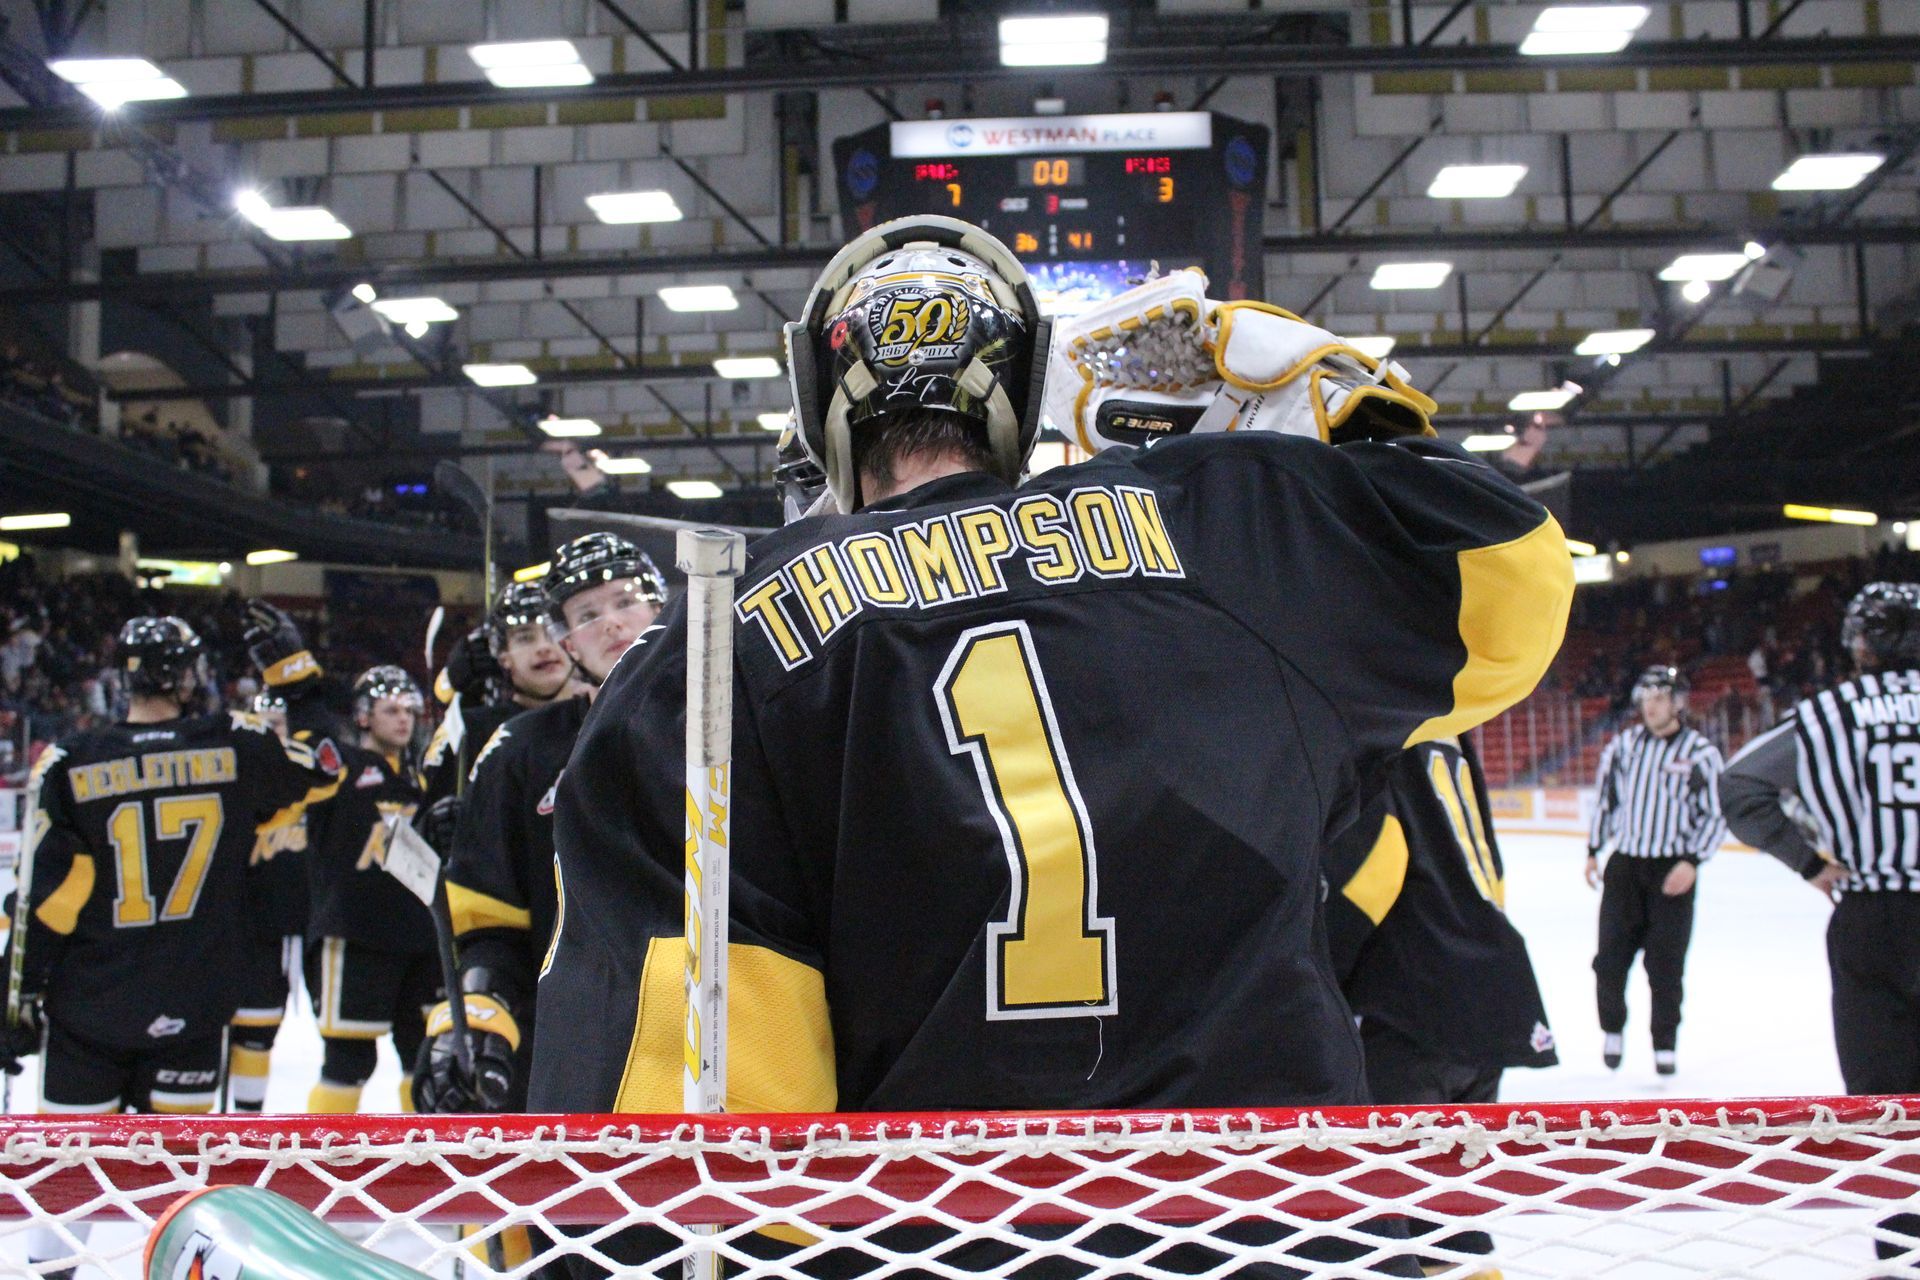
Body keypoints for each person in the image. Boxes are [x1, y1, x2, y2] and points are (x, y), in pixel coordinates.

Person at [530, 217, 1571, 1274]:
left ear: (822, 405)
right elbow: (1512, 578)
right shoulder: (1215, 524)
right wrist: (1317, 390)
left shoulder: (715, 644)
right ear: (1025, 393)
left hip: (944, 1244)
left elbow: (690, 1143)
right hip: (1276, 1233)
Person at [0, 617, 340, 1277]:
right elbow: (325, 768)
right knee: (182, 1191)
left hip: (89, 1007)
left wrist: (16, 999)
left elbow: (47, 900)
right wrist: (299, 685)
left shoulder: (69, 760)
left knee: (66, 1178)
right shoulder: (235, 742)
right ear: (183, 674)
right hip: (192, 1002)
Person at [415, 534, 667, 1115]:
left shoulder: (737, 723)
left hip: (730, 1034)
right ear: (568, 639)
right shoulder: (518, 749)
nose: (611, 622)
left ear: (661, 605)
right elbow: (491, 924)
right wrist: (478, 1015)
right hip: (576, 1043)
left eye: (625, 600)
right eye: (587, 613)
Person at [1720, 580, 1920, 1271]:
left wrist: (1808, 863)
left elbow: (1738, 784)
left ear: (1860, 644)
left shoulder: (1830, 713)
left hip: (1871, 918)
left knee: (1886, 1102)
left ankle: (1904, 1251)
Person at [1325, 732, 1556, 1278]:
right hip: (1488, 993)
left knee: (1391, 1220)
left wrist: (1321, 969)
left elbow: (1375, 870)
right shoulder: (1453, 739)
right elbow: (1493, 874)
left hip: (1409, 1008)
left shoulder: (1379, 737)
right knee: (1450, 1218)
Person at [226, 600, 355, 1114]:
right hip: (252, 926)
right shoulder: (244, 773)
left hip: (316, 921)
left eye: (281, 722)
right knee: (250, 1032)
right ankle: (242, 1123)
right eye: (267, 724)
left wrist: (298, 682)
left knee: (341, 1047)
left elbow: (325, 755)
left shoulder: (310, 768)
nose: (274, 733)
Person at [301, 665, 433, 1113]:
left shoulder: (424, 776)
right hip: (355, 936)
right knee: (349, 1061)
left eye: (409, 710)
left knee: (425, 1058)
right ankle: (321, 1151)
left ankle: (425, 1151)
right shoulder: (340, 768)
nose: (404, 718)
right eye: (391, 710)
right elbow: (311, 739)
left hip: (419, 938)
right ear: (363, 716)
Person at [1584, 665, 1728, 1075]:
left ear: (1677, 702)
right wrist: (1593, 850)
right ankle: (1612, 1028)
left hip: (1671, 870)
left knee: (1666, 965)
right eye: (1646, 698)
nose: (1651, 706)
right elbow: (1607, 801)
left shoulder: (1700, 754)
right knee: (1609, 960)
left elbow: (1716, 814)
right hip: (1625, 868)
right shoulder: (1623, 747)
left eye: (1660, 698)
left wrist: (1693, 861)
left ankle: (1665, 1043)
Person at [421, 582, 586, 809]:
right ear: (502, 656)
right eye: (525, 637)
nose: (544, 647)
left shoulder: (603, 715)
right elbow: (424, 820)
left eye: (552, 632)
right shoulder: (474, 729)